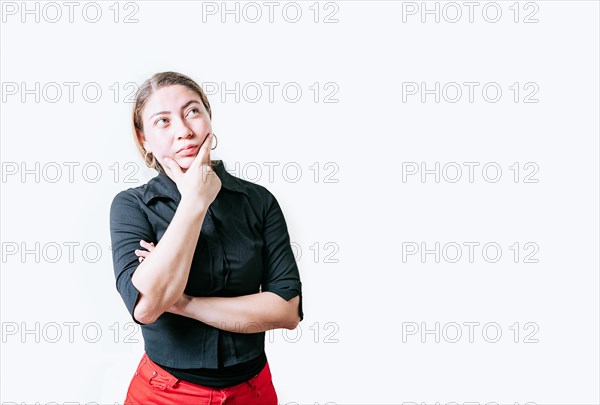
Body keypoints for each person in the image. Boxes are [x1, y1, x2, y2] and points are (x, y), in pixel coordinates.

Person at [109, 71, 303, 404]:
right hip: (163, 394)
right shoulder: (132, 206)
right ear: (144, 139)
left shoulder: (258, 201)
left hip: (253, 391)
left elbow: (286, 311)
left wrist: (181, 303)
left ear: (209, 117)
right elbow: (145, 307)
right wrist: (194, 202)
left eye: (193, 111)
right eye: (163, 121)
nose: (183, 131)